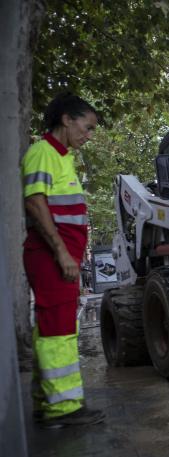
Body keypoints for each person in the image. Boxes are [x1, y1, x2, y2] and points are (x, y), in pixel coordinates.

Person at [22, 93, 104, 428]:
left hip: (59, 259)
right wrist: (61, 253)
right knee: (58, 330)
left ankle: (45, 400)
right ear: (67, 119)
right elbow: (35, 202)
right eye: (87, 126)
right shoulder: (42, 153)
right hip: (51, 257)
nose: (89, 135)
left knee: (53, 327)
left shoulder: (63, 159)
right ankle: (65, 407)